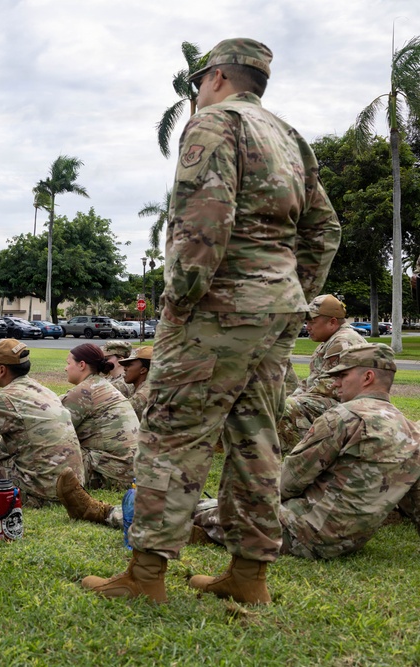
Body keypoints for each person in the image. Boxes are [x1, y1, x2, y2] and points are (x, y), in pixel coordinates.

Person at [82, 38, 341, 606]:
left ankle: (145, 576)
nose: (198, 91)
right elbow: (325, 229)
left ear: (218, 77)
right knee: (256, 440)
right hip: (276, 309)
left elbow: (206, 217)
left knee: (172, 435)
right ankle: (249, 578)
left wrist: (183, 296)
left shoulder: (213, 124)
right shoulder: (289, 136)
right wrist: (293, 294)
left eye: (200, 81)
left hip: (217, 309)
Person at [62, 344, 420, 562]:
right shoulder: (410, 427)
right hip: (348, 539)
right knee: (211, 507)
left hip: (305, 531)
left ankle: (103, 513)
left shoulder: (346, 417)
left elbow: (286, 481)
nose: (337, 382)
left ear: (369, 377)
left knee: (201, 506)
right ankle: (202, 528)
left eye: (344, 376)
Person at [0, 338, 83, 507]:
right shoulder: (44, 391)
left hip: (41, 492)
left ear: (2, 370)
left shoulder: (2, 400)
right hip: (72, 488)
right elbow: (8, 444)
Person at [278, 294, 366, 455]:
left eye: (312, 322)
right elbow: (311, 381)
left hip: (347, 405)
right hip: (332, 401)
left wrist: (294, 400)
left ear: (332, 322)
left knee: (286, 407)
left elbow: (331, 388)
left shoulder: (342, 341)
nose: (307, 327)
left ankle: (303, 452)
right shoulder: (330, 340)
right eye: (307, 322)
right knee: (281, 402)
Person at [57, 343, 138, 494]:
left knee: (46, 452)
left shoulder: (84, 392)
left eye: (68, 363)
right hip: (128, 470)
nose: (65, 368)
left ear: (82, 365)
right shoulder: (101, 385)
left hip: (111, 473)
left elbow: (54, 433)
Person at [120, 346, 153, 419]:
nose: (125, 369)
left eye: (129, 365)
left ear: (143, 370)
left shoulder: (142, 394)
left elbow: (119, 416)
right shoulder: (137, 387)